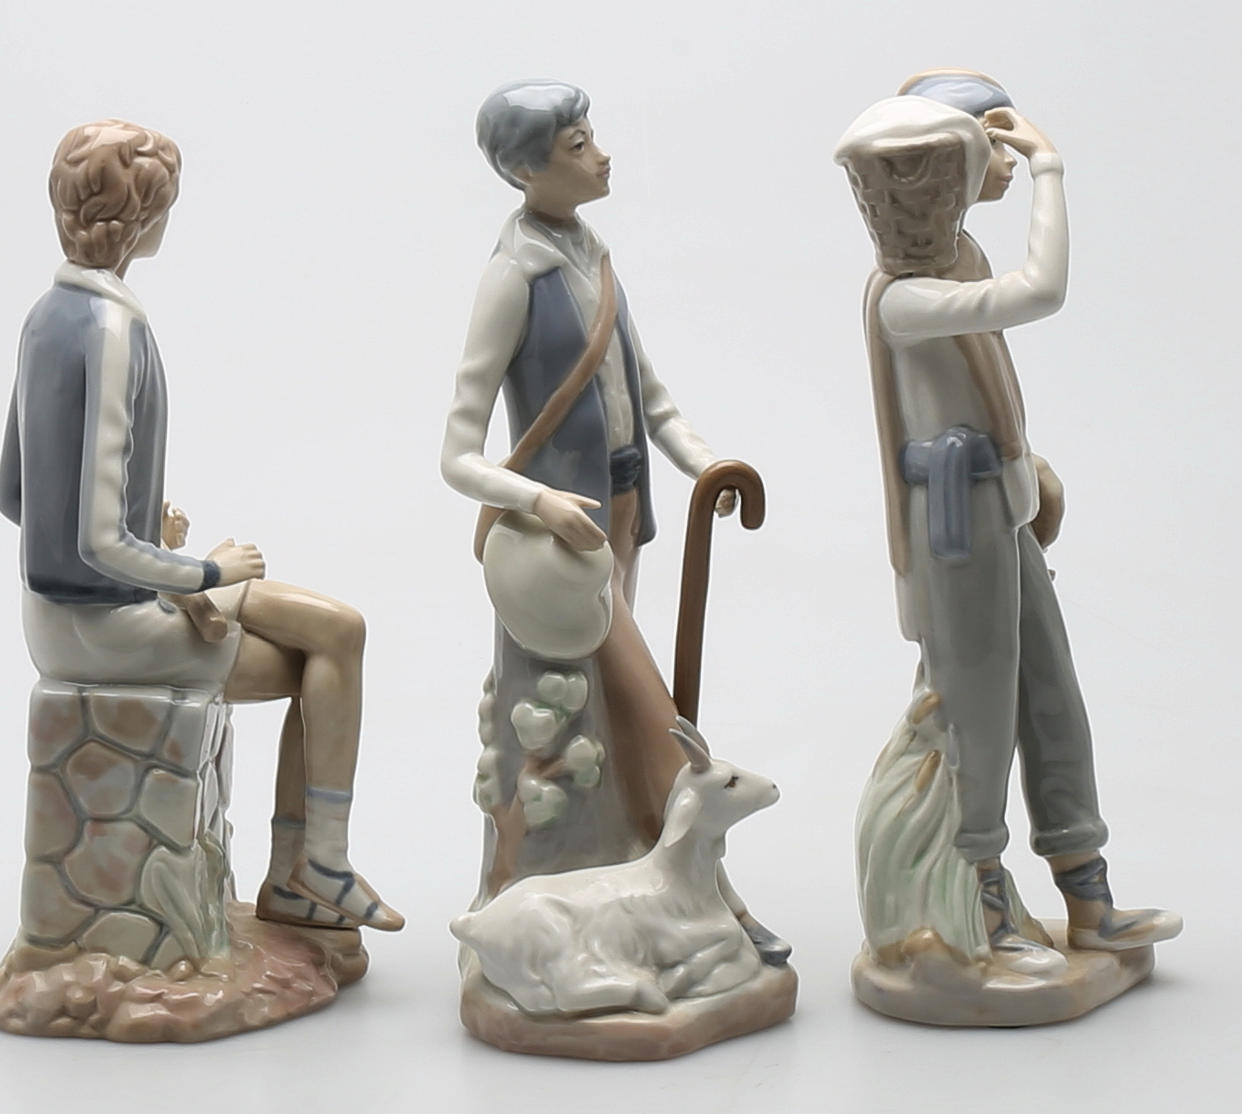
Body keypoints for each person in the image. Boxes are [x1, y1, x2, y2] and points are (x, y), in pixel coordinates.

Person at [0, 119, 402, 933]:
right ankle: (309, 868)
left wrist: (145, 524)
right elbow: (97, 543)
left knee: (340, 628)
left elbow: (16, 495)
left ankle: (314, 869)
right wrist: (208, 572)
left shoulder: (47, 316)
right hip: (103, 627)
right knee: (314, 659)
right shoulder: (114, 330)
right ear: (142, 219)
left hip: (80, 606)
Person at [836, 76, 1179, 966]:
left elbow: (985, 378)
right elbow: (1041, 292)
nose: (1005, 158)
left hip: (999, 501)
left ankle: (1089, 897)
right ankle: (980, 912)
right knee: (980, 715)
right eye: (988, 142)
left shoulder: (959, 259)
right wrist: (1050, 169)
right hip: (956, 524)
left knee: (1052, 696)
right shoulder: (903, 297)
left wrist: (1026, 468)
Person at [442, 80, 786, 962]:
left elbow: (651, 398)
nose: (601, 156)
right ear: (526, 169)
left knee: (615, 716)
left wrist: (705, 463)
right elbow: (458, 454)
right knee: (646, 705)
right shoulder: (513, 277)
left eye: (593, 138)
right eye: (578, 146)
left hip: (623, 514)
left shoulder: (593, 256)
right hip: (565, 545)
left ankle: (640, 881)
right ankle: (709, 896)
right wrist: (542, 503)